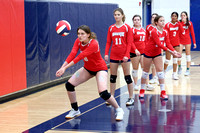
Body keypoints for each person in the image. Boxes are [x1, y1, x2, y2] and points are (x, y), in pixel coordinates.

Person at [56, 25, 124, 120]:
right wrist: (62, 67)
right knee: (69, 85)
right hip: (88, 69)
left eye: (82, 34)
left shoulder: (94, 43)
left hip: (100, 69)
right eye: (78, 34)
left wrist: (65, 68)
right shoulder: (78, 41)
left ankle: (119, 109)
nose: (80, 36)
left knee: (103, 92)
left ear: (88, 35)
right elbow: (72, 54)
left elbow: (79, 57)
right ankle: (75, 109)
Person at [139, 16, 181, 100]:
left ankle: (163, 92)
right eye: (161, 21)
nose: (163, 22)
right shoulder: (154, 31)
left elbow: (168, 43)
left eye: (163, 20)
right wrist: (171, 52)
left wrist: (174, 51)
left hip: (157, 53)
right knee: (145, 72)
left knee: (160, 72)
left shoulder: (165, 31)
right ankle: (142, 90)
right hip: (148, 52)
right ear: (156, 23)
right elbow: (159, 44)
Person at [104, 8, 134, 106]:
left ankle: (131, 97)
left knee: (127, 77)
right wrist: (106, 53)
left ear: (122, 15)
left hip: (124, 55)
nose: (116, 16)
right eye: (115, 15)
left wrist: (126, 55)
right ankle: (111, 97)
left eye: (118, 14)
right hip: (114, 55)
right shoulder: (111, 28)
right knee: (113, 77)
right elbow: (108, 42)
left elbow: (129, 43)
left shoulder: (127, 27)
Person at [130, 14, 155, 91]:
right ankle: (135, 84)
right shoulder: (132, 30)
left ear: (140, 20)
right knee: (135, 68)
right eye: (135, 20)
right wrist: (135, 50)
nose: (137, 21)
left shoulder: (143, 30)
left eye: (138, 19)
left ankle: (146, 84)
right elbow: (131, 42)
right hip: (134, 52)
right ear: (133, 21)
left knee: (145, 68)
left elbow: (146, 41)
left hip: (143, 52)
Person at [164, 12, 185, 80]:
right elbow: (164, 34)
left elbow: (183, 31)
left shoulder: (178, 24)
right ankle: (163, 73)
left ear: (177, 17)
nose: (174, 17)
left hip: (176, 44)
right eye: (173, 16)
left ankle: (174, 74)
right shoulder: (167, 25)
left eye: (175, 16)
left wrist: (179, 23)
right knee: (167, 60)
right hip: (169, 45)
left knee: (175, 60)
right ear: (171, 17)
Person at [178, 11, 197, 76]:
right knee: (179, 55)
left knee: (188, 55)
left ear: (186, 16)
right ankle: (179, 67)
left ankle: (187, 70)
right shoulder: (179, 23)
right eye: (182, 15)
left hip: (187, 41)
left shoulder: (189, 23)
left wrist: (194, 42)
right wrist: (181, 22)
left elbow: (192, 33)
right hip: (180, 41)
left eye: (184, 15)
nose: (183, 17)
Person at [146, 13, 159, 85]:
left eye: (155, 17)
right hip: (150, 47)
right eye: (152, 17)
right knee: (151, 64)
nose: (154, 18)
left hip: (158, 47)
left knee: (157, 63)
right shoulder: (148, 27)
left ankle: (156, 77)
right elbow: (146, 38)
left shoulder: (159, 27)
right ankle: (154, 77)